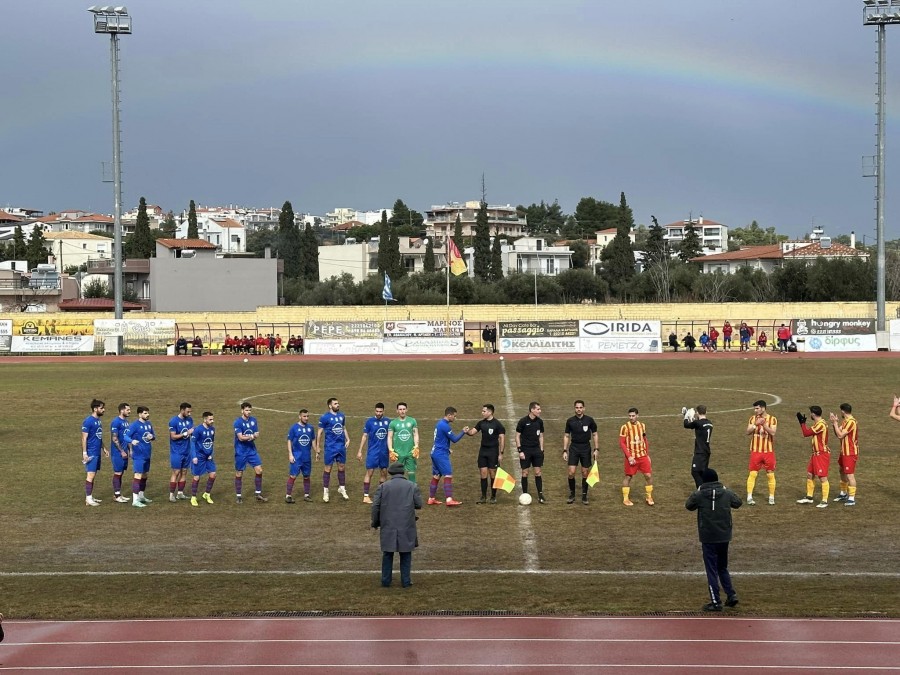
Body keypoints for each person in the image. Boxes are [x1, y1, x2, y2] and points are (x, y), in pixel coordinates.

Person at [685, 468, 742, 612]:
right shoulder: (727, 493)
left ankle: (716, 601)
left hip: (708, 537)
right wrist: (726, 489)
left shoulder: (699, 495)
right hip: (724, 536)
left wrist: (698, 490)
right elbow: (738, 502)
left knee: (711, 570)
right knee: (722, 567)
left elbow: (688, 506)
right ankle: (731, 594)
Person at [371, 461, 423, 588]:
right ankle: (406, 581)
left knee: (387, 554)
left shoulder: (383, 487)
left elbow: (375, 506)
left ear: (391, 473)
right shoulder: (412, 486)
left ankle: (385, 580)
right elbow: (419, 504)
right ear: (402, 472)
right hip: (406, 524)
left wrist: (375, 522)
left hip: (388, 525)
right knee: (406, 553)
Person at [465, 403, 506, 504]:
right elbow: (472, 432)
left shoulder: (497, 424)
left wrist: (501, 453)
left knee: (492, 474)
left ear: (490, 412)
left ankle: (493, 496)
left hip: (493, 452)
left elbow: (502, 438)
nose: (482, 413)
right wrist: (466, 431)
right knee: (483, 474)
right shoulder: (481, 423)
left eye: (484, 411)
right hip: (483, 451)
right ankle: (483, 497)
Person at [428, 406, 469, 507]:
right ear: (449, 415)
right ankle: (449, 499)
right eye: (454, 416)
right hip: (440, 454)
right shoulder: (445, 426)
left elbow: (440, 439)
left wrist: (447, 449)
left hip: (435, 452)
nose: (455, 418)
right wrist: (463, 431)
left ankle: (431, 498)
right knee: (448, 475)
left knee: (436, 476)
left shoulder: (439, 424)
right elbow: (454, 439)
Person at [562, 400, 599, 505]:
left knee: (585, 472)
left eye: (580, 407)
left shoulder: (589, 420)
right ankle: (572, 494)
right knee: (571, 472)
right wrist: (564, 450)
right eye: (577, 407)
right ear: (574, 408)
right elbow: (566, 436)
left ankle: (584, 495)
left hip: (585, 448)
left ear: (584, 408)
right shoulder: (570, 421)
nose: (579, 409)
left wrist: (596, 449)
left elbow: (595, 434)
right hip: (574, 447)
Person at [796, 406, 831, 508]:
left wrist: (802, 423)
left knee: (822, 477)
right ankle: (809, 497)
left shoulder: (821, 424)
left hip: (821, 454)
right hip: (815, 454)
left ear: (813, 414)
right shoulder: (819, 423)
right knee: (810, 474)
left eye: (811, 413)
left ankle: (824, 501)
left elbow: (806, 433)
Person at [233, 401, 267, 503]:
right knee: (239, 473)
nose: (248, 412)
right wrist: (252, 436)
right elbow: (240, 438)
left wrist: (254, 435)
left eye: (250, 410)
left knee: (259, 470)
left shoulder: (253, 420)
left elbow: (257, 433)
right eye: (246, 410)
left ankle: (258, 494)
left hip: (252, 450)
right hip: (241, 451)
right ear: (242, 410)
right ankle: (238, 496)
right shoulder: (237, 422)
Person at [317, 397, 350, 502]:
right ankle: (326, 491)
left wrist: (348, 439)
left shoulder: (342, 416)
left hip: (341, 447)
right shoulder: (324, 417)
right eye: (335, 404)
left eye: (338, 403)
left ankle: (342, 488)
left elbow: (343, 427)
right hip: (330, 447)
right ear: (330, 406)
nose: (338, 405)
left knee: (341, 467)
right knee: (328, 469)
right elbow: (319, 432)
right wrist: (317, 446)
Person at [619, 407, 654, 506]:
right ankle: (625, 499)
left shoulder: (642, 426)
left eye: (633, 416)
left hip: (642, 456)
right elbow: (622, 443)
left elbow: (645, 440)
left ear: (637, 415)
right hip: (631, 457)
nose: (631, 418)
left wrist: (647, 455)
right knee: (628, 477)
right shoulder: (625, 427)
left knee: (648, 475)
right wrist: (629, 456)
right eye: (629, 416)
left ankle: (649, 497)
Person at [745, 400, 778, 506]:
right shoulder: (752, 419)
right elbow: (747, 432)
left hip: (768, 451)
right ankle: (749, 497)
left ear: (763, 408)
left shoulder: (772, 419)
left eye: (757, 408)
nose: (755, 411)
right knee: (753, 473)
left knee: (770, 474)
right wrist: (755, 424)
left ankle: (771, 497)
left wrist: (764, 425)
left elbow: (772, 432)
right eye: (754, 409)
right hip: (756, 451)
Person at [357, 403, 391, 504]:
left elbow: (392, 436)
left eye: (380, 411)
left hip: (384, 452)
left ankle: (381, 494)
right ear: (374, 411)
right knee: (370, 472)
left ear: (383, 411)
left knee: (384, 472)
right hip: (373, 452)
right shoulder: (370, 422)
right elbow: (364, 436)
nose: (378, 413)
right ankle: (366, 496)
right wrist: (360, 450)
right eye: (377, 411)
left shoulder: (388, 422)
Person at [125, 406, 156, 508]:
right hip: (138, 455)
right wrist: (132, 441)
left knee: (145, 475)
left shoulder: (149, 424)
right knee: (138, 475)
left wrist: (152, 437)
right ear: (140, 414)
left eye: (148, 413)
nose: (147, 415)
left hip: (147, 454)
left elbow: (153, 436)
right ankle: (135, 500)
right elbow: (125, 436)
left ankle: (141, 496)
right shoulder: (134, 425)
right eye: (145, 413)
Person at [516, 401, 546, 504]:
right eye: (538, 409)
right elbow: (517, 436)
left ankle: (540, 495)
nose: (540, 411)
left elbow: (541, 436)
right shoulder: (523, 421)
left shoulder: (540, 422)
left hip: (536, 450)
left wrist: (541, 449)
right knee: (525, 472)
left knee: (538, 472)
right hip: (526, 450)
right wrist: (520, 450)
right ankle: (524, 494)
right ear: (532, 410)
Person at [830, 403, 859, 506]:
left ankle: (851, 498)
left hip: (850, 452)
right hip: (844, 451)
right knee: (841, 470)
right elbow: (837, 433)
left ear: (843, 411)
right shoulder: (845, 421)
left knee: (850, 474)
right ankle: (843, 493)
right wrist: (835, 424)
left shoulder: (851, 422)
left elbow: (840, 435)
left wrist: (835, 423)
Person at [81, 398, 108, 507]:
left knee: (93, 474)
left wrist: (104, 448)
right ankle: (88, 499)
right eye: (102, 408)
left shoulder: (98, 421)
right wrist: (84, 453)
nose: (104, 410)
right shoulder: (88, 421)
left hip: (97, 451)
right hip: (91, 452)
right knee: (90, 475)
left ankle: (90, 496)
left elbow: (98, 436)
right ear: (95, 409)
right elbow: (84, 438)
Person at [286, 409, 317, 503]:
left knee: (307, 476)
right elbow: (289, 441)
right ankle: (288, 496)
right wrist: (290, 454)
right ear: (299, 416)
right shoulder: (294, 428)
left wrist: (316, 451)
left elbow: (312, 440)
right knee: (293, 476)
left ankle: (306, 495)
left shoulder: (310, 428)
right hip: (297, 457)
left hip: (307, 457)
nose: (306, 418)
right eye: (304, 416)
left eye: (307, 416)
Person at [189, 411, 217, 507]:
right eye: (210, 419)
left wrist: (211, 453)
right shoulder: (198, 430)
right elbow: (192, 443)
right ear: (205, 420)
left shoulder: (212, 429)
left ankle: (207, 494)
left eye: (212, 419)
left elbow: (211, 442)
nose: (212, 421)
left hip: (208, 457)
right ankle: (193, 497)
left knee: (213, 475)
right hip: (199, 457)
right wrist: (194, 456)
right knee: (197, 477)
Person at [168, 402, 194, 502]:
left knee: (184, 472)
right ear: (182, 410)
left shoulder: (189, 420)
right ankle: (171, 495)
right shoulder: (173, 421)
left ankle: (180, 493)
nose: (189, 414)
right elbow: (173, 437)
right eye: (188, 412)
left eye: (190, 412)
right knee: (176, 472)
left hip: (187, 451)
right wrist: (186, 433)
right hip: (176, 452)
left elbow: (192, 432)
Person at [388, 402, 420, 485]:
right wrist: (391, 450)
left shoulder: (412, 421)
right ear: (397, 411)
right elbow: (389, 437)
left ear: (406, 410)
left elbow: (415, 434)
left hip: (410, 452)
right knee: (397, 474)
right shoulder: (393, 423)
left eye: (404, 409)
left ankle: (413, 490)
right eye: (400, 409)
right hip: (398, 453)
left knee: (411, 472)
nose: (402, 411)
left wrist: (416, 446)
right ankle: (398, 489)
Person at [684, 405, 713, 488]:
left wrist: (686, 416)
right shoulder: (710, 423)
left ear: (697, 413)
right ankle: (704, 489)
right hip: (707, 451)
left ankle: (701, 490)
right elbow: (697, 425)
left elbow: (686, 425)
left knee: (695, 472)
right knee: (703, 472)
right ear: (706, 412)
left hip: (699, 452)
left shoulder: (697, 423)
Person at [109, 403, 132, 503]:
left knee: (121, 472)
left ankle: (118, 494)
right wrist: (122, 451)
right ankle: (116, 495)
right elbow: (114, 438)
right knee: (118, 472)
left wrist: (130, 450)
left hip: (125, 451)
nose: (129, 411)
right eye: (127, 410)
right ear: (122, 410)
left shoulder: (126, 422)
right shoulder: (116, 422)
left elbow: (127, 438)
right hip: (117, 452)